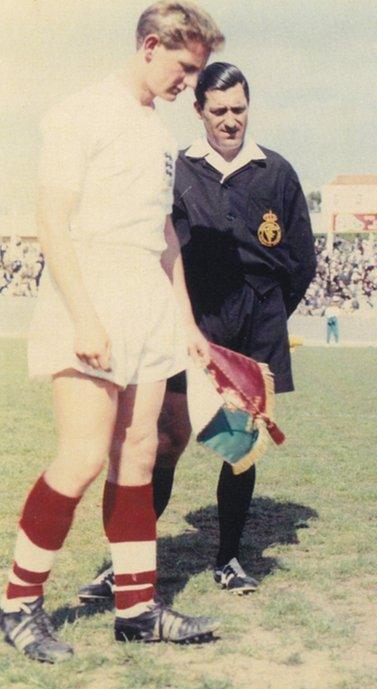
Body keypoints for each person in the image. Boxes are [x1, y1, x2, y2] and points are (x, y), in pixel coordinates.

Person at [0, 2, 224, 664]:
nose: (190, 83)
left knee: (138, 451)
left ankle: (136, 608)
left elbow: (162, 235)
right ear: (151, 46)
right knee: (83, 453)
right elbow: (51, 219)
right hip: (87, 293)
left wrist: (185, 322)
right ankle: (17, 604)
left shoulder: (158, 133)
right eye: (186, 68)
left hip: (146, 302)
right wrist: (85, 314)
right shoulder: (80, 112)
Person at [78, 61, 316, 601]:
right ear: (199, 111)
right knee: (164, 441)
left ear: (249, 107)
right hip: (189, 325)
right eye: (219, 110)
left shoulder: (276, 172)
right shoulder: (178, 168)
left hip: (254, 330)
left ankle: (229, 558)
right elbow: (156, 244)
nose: (230, 120)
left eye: (239, 109)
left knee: (238, 446)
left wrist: (267, 313)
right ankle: (127, 562)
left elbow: (301, 261)